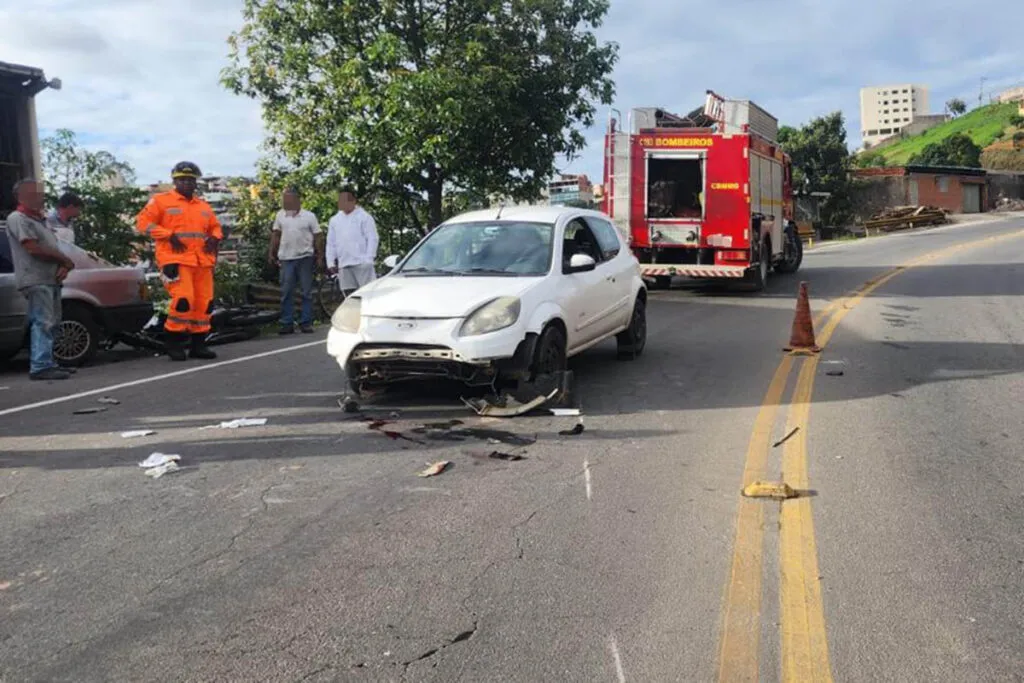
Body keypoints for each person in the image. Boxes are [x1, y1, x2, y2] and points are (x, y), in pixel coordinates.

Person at [136, 161, 222, 362]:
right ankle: (173, 343)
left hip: (202, 262)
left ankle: (198, 345)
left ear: (195, 182)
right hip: (175, 260)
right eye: (182, 179)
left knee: (204, 303)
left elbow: (215, 227)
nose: (186, 183)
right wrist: (167, 234)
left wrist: (215, 237)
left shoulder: (203, 206)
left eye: (190, 180)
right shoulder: (161, 201)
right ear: (174, 181)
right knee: (184, 300)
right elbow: (142, 223)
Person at [5, 178, 77, 380]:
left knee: (53, 321)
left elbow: (52, 248)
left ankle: (48, 362)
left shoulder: (40, 220)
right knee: (43, 321)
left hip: (50, 278)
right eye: (33, 193)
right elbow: (32, 248)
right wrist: (64, 260)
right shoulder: (18, 218)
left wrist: (64, 265)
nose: (39, 197)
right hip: (35, 278)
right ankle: (40, 365)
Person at [268, 187, 322, 334]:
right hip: (286, 258)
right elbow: (276, 235)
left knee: (306, 292)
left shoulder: (309, 216)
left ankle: (306, 322)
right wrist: (271, 253)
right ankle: (287, 323)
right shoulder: (280, 216)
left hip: (305, 257)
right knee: (286, 292)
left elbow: (318, 236)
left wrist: (319, 256)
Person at [325, 186, 379, 297]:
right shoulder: (334, 220)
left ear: (354, 200)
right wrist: (330, 261)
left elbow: (372, 238)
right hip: (344, 264)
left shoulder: (364, 217)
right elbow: (331, 243)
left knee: (367, 295)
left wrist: (369, 258)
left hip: (362, 263)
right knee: (349, 297)